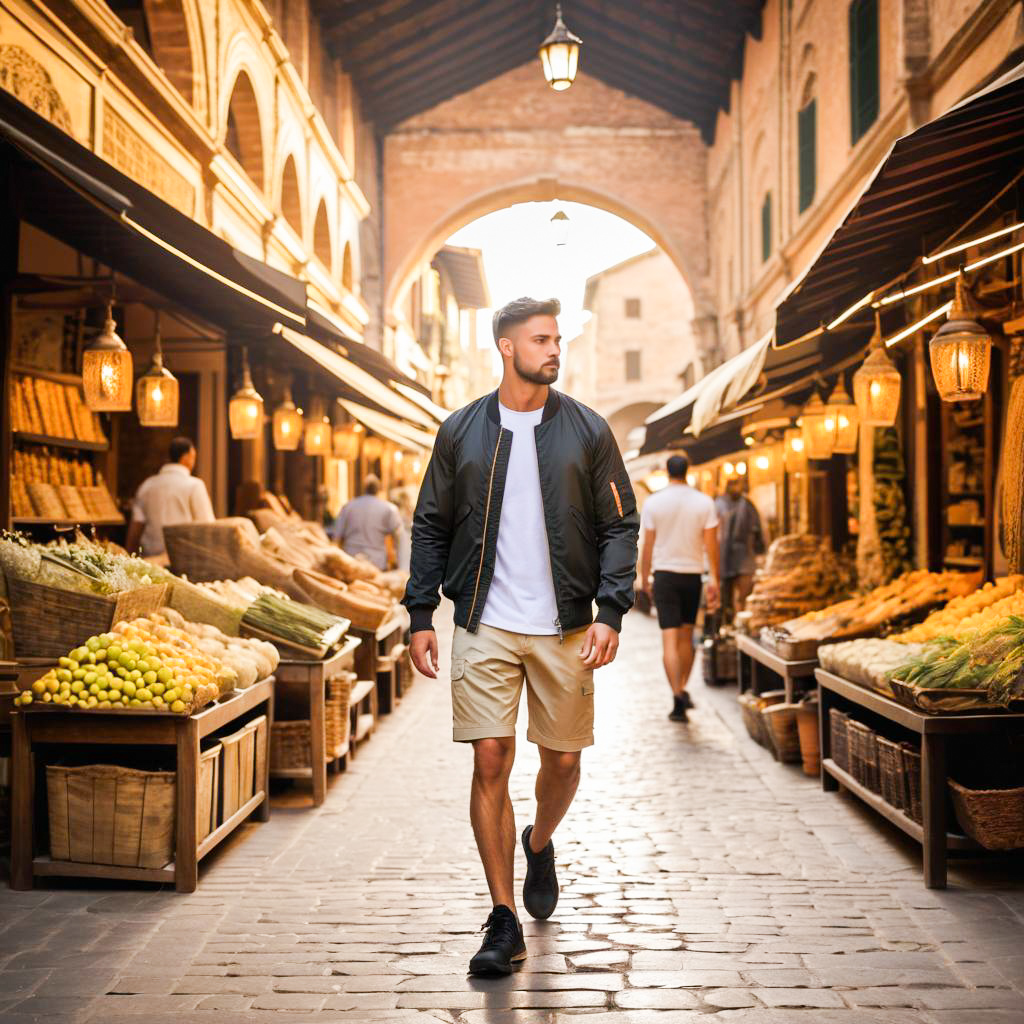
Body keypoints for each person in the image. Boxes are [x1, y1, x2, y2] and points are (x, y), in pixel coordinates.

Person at [403, 296, 638, 976]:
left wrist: (611, 609)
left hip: (565, 623)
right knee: (490, 759)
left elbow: (621, 524)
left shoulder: (589, 431)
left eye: (557, 339)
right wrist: (421, 614)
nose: (553, 349)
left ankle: (539, 839)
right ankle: (503, 917)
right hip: (484, 620)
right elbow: (430, 524)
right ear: (507, 347)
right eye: (541, 339)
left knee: (562, 761)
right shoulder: (460, 431)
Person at [637, 455, 720, 723]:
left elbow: (647, 545)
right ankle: (682, 687)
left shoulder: (654, 503)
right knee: (687, 635)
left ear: (665, 472)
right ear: (688, 471)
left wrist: (644, 576)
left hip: (664, 575)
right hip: (692, 575)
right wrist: (715, 578)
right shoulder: (703, 502)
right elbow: (712, 545)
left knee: (669, 639)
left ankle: (676, 696)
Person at [125, 436, 215, 562]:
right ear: (186, 458)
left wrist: (129, 560)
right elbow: (207, 528)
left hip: (150, 562)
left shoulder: (147, 485)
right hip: (184, 562)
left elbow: (135, 530)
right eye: (193, 457)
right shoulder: (194, 485)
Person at [715, 476, 764, 623]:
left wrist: (758, 552)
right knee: (724, 599)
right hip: (723, 557)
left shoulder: (747, 505)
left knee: (743, 596)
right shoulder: (719, 504)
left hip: (744, 557)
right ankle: (724, 627)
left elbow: (757, 532)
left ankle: (740, 624)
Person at [328, 474, 402, 571]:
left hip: (351, 561)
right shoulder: (389, 509)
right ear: (378, 489)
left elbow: (337, 537)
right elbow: (398, 537)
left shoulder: (348, 507)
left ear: (364, 488)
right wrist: (396, 560)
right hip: (376, 563)